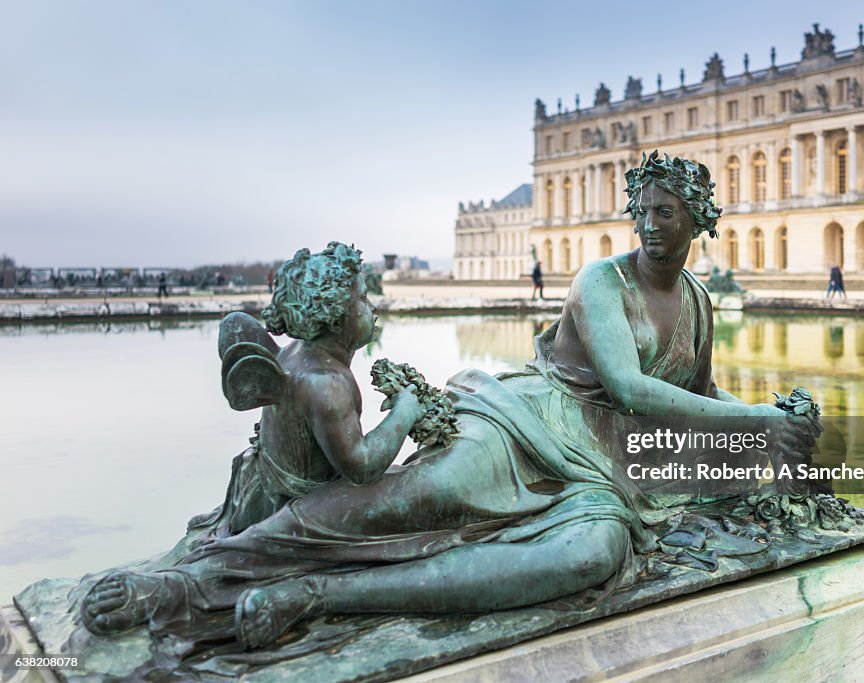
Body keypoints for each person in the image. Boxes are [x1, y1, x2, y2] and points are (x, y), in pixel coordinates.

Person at [80, 152, 817, 651]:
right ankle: (189, 581)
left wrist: (773, 420)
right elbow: (627, 388)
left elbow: (695, 393)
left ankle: (322, 594)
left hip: (609, 473)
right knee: (410, 496)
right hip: (530, 420)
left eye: (667, 212)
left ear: (699, 219)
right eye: (644, 211)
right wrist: (759, 421)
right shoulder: (601, 282)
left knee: (595, 553)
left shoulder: (695, 299)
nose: (650, 224)